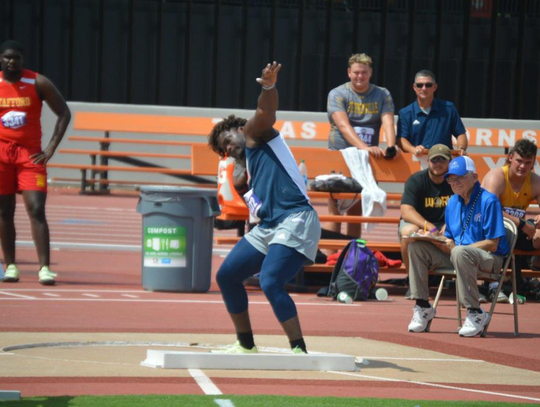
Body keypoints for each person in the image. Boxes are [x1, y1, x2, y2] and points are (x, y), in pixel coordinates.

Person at [207, 62, 320, 354]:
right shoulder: (247, 169)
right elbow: (256, 207)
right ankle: (245, 344)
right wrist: (243, 184)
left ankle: (298, 347)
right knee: (226, 276)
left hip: (296, 218)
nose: (227, 151)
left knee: (270, 281)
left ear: (238, 129)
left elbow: (265, 113)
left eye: (227, 142)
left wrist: (268, 87)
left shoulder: (255, 133)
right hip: (270, 225)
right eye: (223, 151)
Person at [407, 156, 509, 337]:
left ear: (475, 177)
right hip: (458, 255)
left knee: (461, 251)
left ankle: (475, 312)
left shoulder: (489, 200)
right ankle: (423, 306)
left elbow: (493, 244)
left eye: (459, 177)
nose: (454, 183)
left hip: (489, 259)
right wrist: (434, 239)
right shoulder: (453, 202)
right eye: (451, 179)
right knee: (416, 247)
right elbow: (449, 240)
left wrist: (460, 248)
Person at [0, 40, 71, 285]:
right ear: (1, 59)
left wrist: (51, 147)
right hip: (2, 155)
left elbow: (64, 112)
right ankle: (10, 266)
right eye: (7, 57)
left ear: (22, 59)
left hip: (30, 155)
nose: (12, 61)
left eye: (16, 57)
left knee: (36, 208)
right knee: (4, 211)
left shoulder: (37, 82)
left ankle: (44, 268)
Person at [327, 53, 398, 237]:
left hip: (366, 159)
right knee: (334, 207)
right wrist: (363, 147)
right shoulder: (337, 94)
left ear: (370, 73)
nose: (360, 76)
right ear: (349, 72)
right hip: (340, 152)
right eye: (356, 72)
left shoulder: (382, 94)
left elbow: (388, 122)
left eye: (364, 73)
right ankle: (330, 255)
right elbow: (343, 125)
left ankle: (352, 252)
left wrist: (390, 146)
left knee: (356, 208)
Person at [481, 138, 540, 299]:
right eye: (519, 161)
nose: (523, 166)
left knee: (537, 237)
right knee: (503, 231)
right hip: (486, 227)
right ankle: (494, 286)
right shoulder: (497, 177)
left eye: (528, 163)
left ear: (533, 162)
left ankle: (525, 281)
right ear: (510, 158)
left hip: (517, 229)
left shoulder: (535, 181)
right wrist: (521, 224)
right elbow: (490, 210)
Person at [400, 144, 453, 282]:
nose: (438, 164)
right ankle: (413, 282)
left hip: (446, 225)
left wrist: (450, 224)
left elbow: (465, 205)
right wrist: (430, 227)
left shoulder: (455, 181)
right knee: (407, 232)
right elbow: (406, 211)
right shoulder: (416, 180)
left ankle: (458, 280)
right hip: (422, 225)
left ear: (449, 162)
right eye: (434, 160)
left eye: (443, 160)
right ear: (428, 161)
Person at [397, 70, 467, 156]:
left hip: (443, 162)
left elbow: (460, 134)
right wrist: (413, 149)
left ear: (435, 87)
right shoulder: (405, 113)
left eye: (428, 85)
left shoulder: (449, 109)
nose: (424, 88)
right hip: (416, 161)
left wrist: (461, 148)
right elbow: (401, 139)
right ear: (414, 87)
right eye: (420, 85)